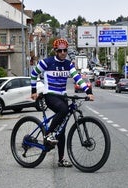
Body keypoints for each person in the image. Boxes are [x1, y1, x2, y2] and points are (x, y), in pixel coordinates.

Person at [30, 38, 94, 167]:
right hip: (50, 95)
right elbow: (33, 74)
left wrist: (88, 91)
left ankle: (61, 159)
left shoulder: (68, 64)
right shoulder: (46, 62)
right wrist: (33, 91)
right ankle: (48, 135)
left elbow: (77, 78)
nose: (63, 53)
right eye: (60, 50)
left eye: (65, 50)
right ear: (55, 51)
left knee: (62, 129)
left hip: (62, 96)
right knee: (63, 110)